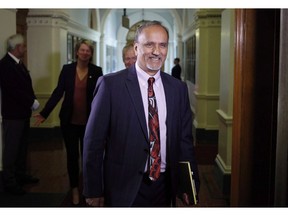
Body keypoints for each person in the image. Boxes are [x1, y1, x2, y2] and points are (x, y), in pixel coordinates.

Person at [83, 20, 200, 207]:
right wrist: (93, 188)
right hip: (124, 187)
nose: (156, 51)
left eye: (162, 45)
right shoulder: (110, 86)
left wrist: (189, 183)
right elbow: (93, 142)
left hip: (165, 186)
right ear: (136, 48)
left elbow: (184, 141)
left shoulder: (177, 89)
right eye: (149, 44)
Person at [33, 39, 103, 206]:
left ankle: (88, 189)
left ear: (91, 54)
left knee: (88, 157)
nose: (85, 53)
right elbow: (58, 92)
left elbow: (101, 96)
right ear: (77, 52)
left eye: (88, 50)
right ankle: (74, 189)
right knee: (72, 157)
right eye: (82, 50)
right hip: (69, 122)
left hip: (89, 123)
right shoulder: (67, 70)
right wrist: (44, 113)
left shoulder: (96, 71)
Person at [0, 34, 40, 195]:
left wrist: (32, 99)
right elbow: (13, 90)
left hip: (22, 113)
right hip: (13, 115)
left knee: (22, 148)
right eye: (23, 46)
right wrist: (31, 102)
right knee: (11, 149)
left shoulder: (17, 63)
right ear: (17, 48)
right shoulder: (5, 65)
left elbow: (24, 86)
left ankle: (20, 175)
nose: (25, 48)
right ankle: (9, 182)